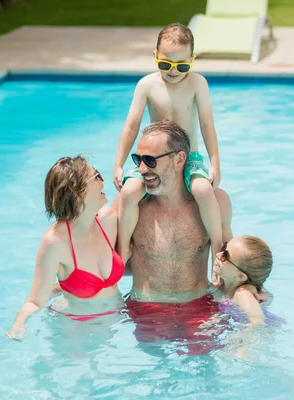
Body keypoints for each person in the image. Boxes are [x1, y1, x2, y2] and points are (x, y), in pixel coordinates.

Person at [112, 120, 232, 355]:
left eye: (151, 160)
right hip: (145, 307)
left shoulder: (214, 204)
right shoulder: (128, 207)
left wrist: (250, 293)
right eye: (138, 161)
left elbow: (231, 264)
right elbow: (102, 259)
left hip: (200, 306)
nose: (142, 170)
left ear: (179, 160)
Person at [113, 22, 224, 276]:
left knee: (204, 190)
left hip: (189, 158)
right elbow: (131, 126)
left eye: (182, 66)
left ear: (192, 60)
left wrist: (215, 163)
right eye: (165, 64)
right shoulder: (147, 85)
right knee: (129, 192)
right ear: (155, 56)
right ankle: (124, 249)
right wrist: (119, 163)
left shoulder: (197, 84)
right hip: (153, 158)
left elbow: (207, 125)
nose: (173, 72)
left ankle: (217, 250)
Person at [6, 156, 125, 340]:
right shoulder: (55, 242)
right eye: (97, 176)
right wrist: (19, 323)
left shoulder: (107, 220)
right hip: (75, 333)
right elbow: (36, 300)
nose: (103, 180)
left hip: (116, 326)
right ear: (78, 193)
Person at [211, 236, 273, 326]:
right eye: (224, 248)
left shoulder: (243, 292)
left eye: (225, 256)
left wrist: (240, 337)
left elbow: (257, 321)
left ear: (240, 276)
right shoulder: (222, 283)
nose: (218, 254)